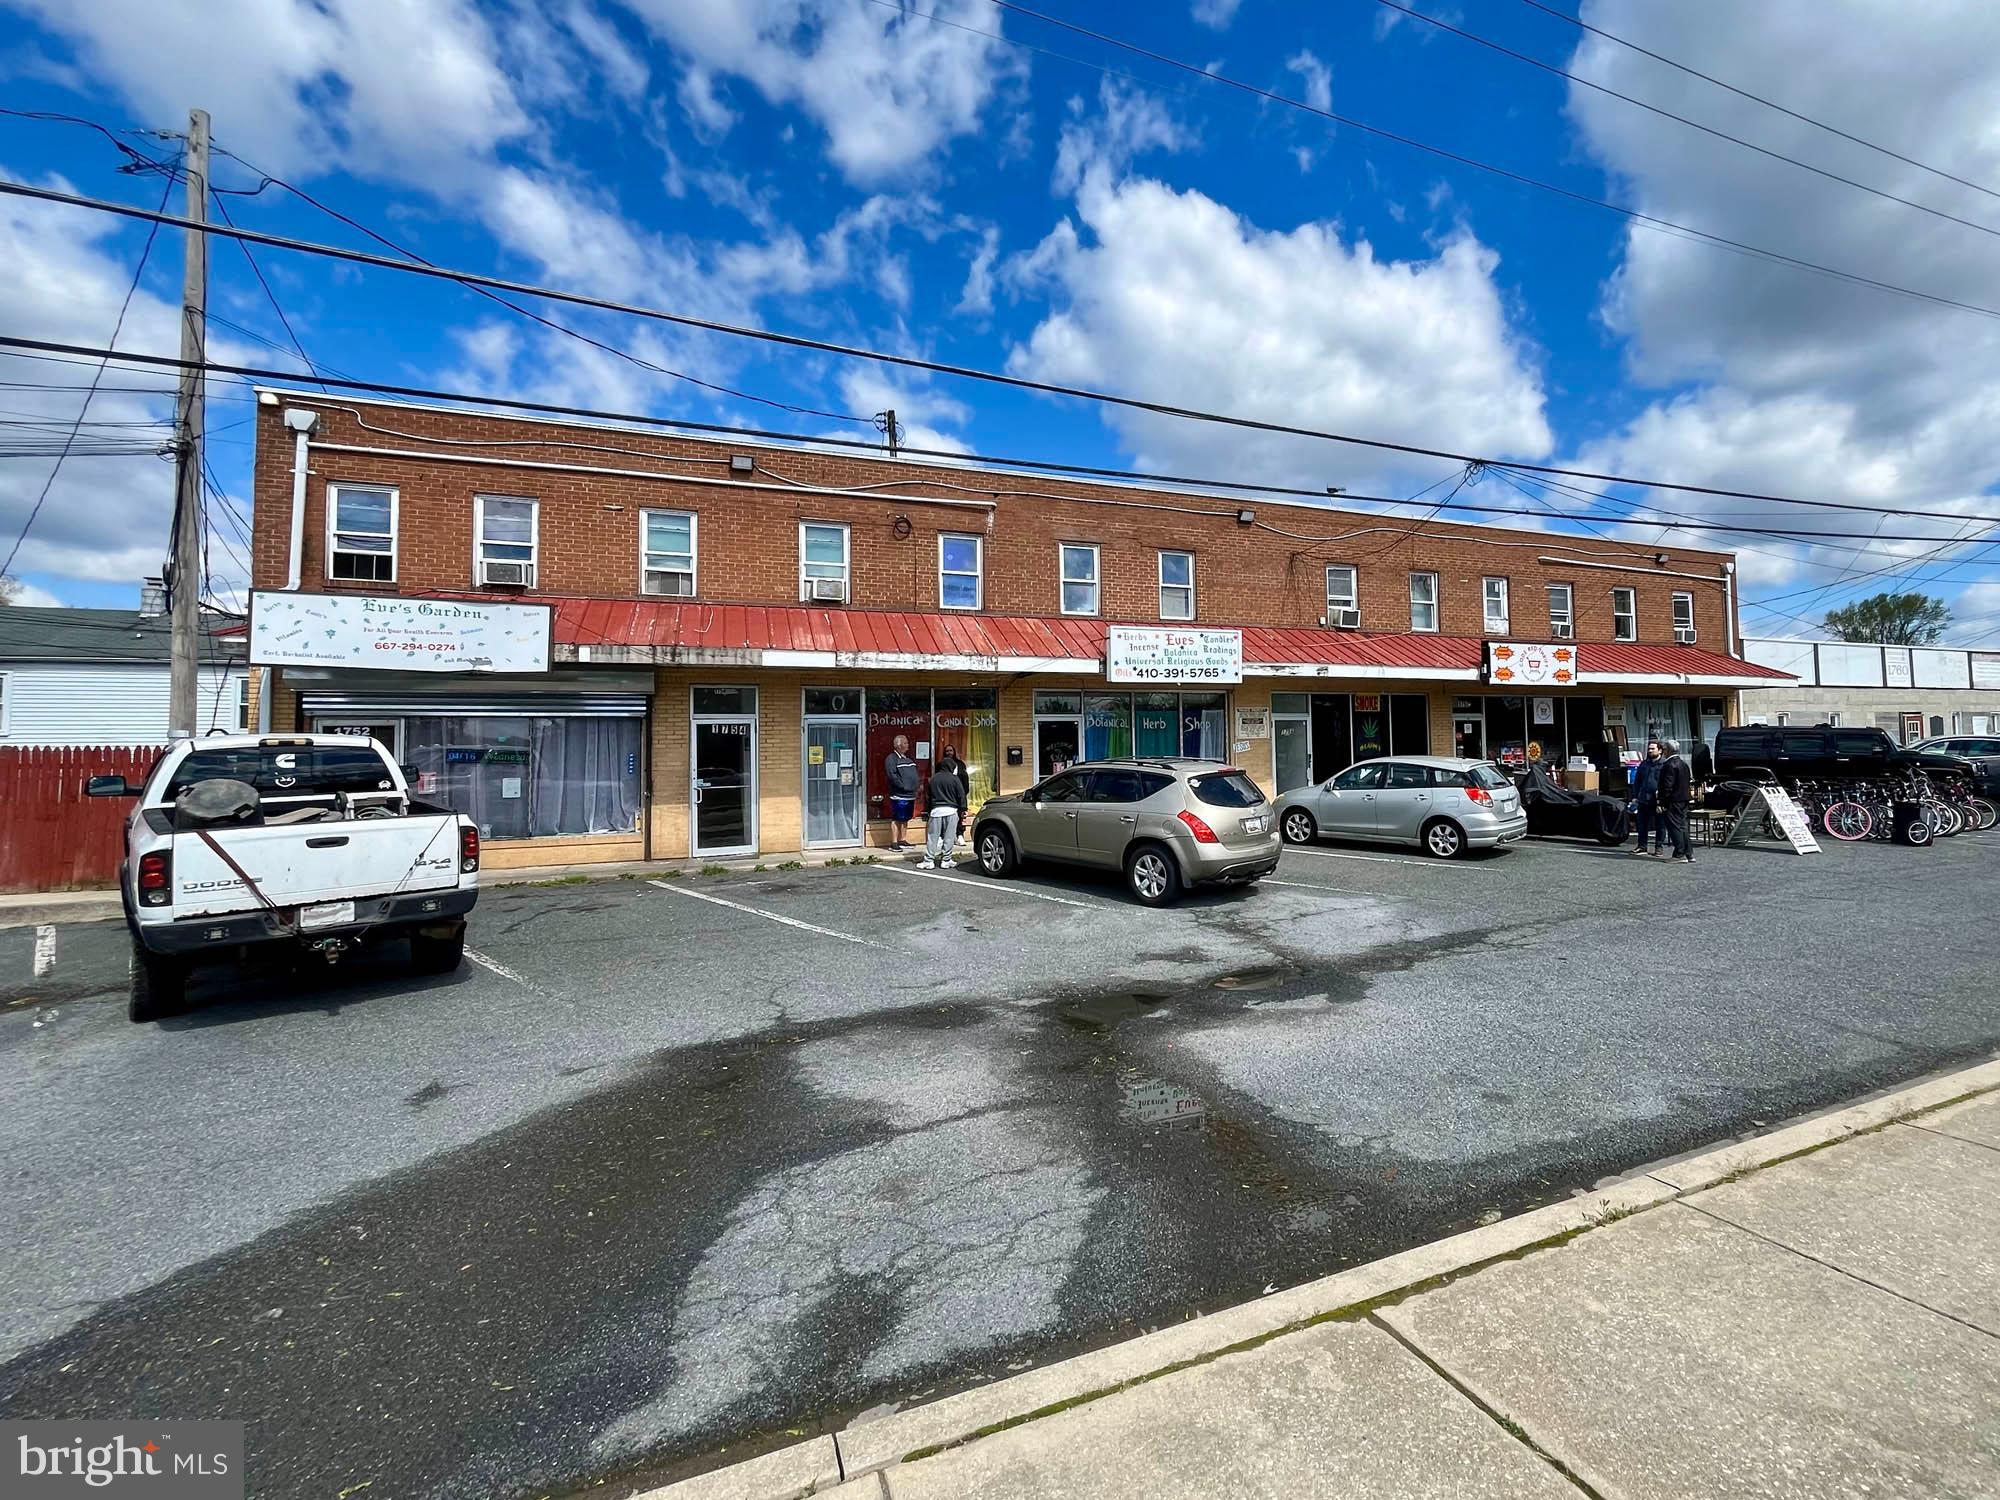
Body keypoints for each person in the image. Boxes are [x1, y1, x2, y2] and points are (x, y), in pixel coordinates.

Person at [920, 754, 968, 869]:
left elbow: (928, 797)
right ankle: (946, 860)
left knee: (933, 837)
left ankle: (929, 860)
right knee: (949, 836)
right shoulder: (955, 779)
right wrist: (963, 809)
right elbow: (961, 795)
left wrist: (927, 811)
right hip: (951, 811)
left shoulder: (934, 778)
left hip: (936, 811)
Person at [1657, 737, 1694, 864]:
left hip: (1673, 800)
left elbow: (1667, 786)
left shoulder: (1669, 765)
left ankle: (1679, 854)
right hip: (1684, 798)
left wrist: (1662, 802)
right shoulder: (1683, 763)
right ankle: (1688, 853)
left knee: (1674, 827)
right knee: (1682, 826)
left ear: (1667, 750)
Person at [884, 735, 919, 850]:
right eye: (905, 743)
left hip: (910, 795)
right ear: (898, 745)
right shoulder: (891, 759)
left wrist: (915, 786)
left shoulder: (907, 759)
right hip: (898, 795)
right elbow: (892, 776)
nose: (907, 745)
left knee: (905, 818)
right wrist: (902, 786)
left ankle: (902, 839)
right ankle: (894, 842)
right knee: (897, 818)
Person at [1630, 740, 1664, 857]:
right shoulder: (1644, 764)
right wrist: (1635, 796)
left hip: (1657, 799)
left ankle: (1659, 847)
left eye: (1652, 749)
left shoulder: (1664, 765)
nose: (1650, 751)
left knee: (1660, 824)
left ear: (1659, 750)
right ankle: (1642, 846)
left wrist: (1663, 800)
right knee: (1641, 823)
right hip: (1644, 798)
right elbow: (1637, 781)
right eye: (1649, 749)